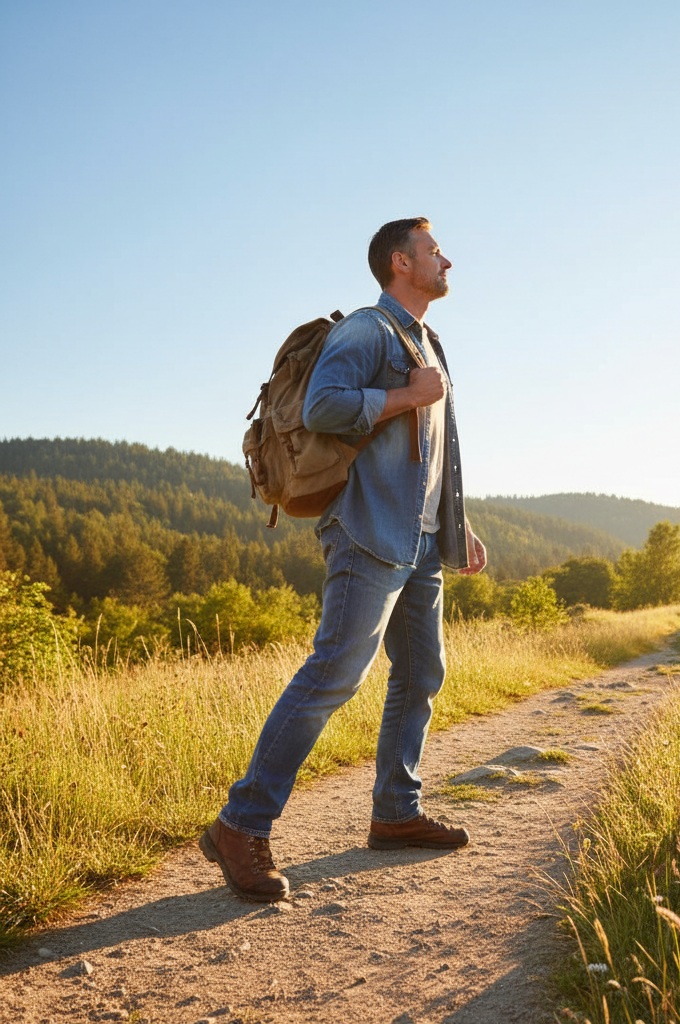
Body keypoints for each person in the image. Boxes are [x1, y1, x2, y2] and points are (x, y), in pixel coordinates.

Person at [200, 217, 487, 902]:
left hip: (418, 539)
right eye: (434, 250)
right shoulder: (368, 329)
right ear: (401, 263)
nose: (448, 259)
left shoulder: (430, 341)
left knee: (421, 671)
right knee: (335, 672)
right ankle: (240, 824)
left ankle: (395, 812)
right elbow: (325, 407)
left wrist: (458, 524)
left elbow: (438, 448)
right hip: (366, 530)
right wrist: (403, 396)